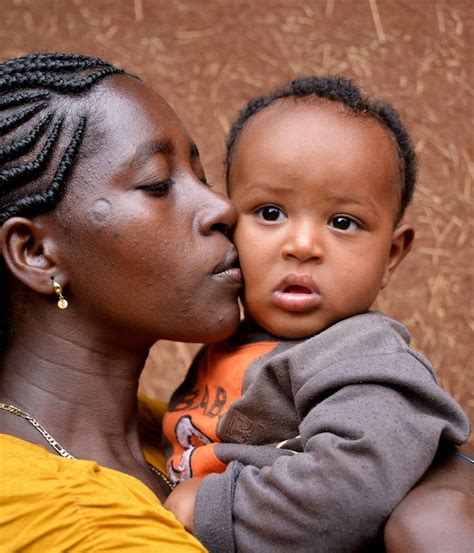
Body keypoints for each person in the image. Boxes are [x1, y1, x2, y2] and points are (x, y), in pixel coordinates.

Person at [162, 77, 471, 552]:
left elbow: (348, 490)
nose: (303, 246)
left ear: (391, 255)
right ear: (228, 224)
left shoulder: (365, 359)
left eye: (343, 222)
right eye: (269, 212)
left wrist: (211, 505)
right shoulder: (230, 339)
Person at [0, 52, 243, 550]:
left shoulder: (174, 430)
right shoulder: (72, 520)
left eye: (203, 179)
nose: (222, 208)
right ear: (36, 253)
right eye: (158, 185)